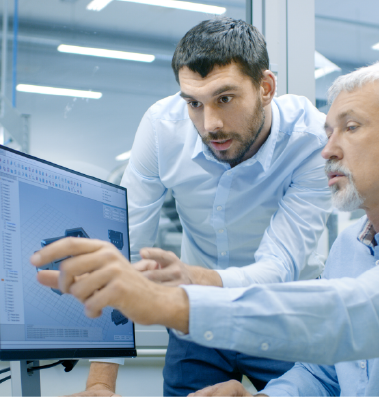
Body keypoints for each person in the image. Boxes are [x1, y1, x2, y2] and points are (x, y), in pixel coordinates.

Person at [32, 62, 379, 396]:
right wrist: (101, 383)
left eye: (350, 128)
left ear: (265, 88)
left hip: (286, 306)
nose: (328, 150)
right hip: (204, 315)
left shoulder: (305, 138)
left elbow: (342, 310)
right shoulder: (349, 250)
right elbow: (322, 375)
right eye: (194, 103)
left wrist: (177, 297)